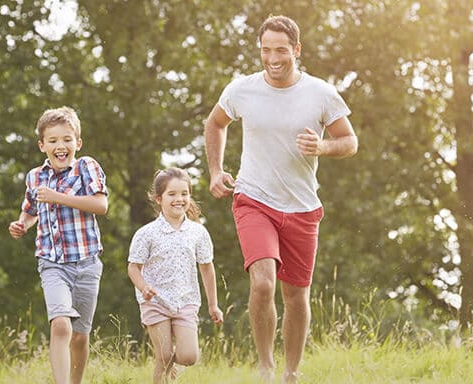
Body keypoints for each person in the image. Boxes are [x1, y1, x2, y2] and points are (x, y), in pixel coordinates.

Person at [203, 15, 358, 384]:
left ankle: (291, 373)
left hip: (302, 207)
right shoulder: (242, 89)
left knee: (296, 296)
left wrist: (321, 146)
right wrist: (215, 170)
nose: (273, 58)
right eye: (266, 50)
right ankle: (266, 367)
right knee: (262, 283)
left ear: (296, 50)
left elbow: (349, 142)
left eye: (281, 50)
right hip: (254, 199)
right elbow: (216, 123)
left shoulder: (321, 93)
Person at [8, 106, 107, 384]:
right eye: (52, 141)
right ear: (42, 146)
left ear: (78, 142)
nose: (60, 146)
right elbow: (30, 210)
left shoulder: (87, 166)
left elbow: (101, 205)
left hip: (87, 264)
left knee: (79, 335)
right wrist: (22, 225)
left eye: (66, 139)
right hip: (52, 263)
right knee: (61, 324)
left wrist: (58, 197)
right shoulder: (35, 177)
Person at [127, 167, 224, 384]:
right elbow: (133, 268)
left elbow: (207, 268)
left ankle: (173, 365)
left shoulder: (198, 232)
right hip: (155, 301)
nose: (179, 199)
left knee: (188, 357)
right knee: (163, 356)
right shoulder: (146, 233)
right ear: (159, 199)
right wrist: (143, 287)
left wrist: (213, 305)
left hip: (185, 301)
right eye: (172, 194)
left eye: (184, 194)